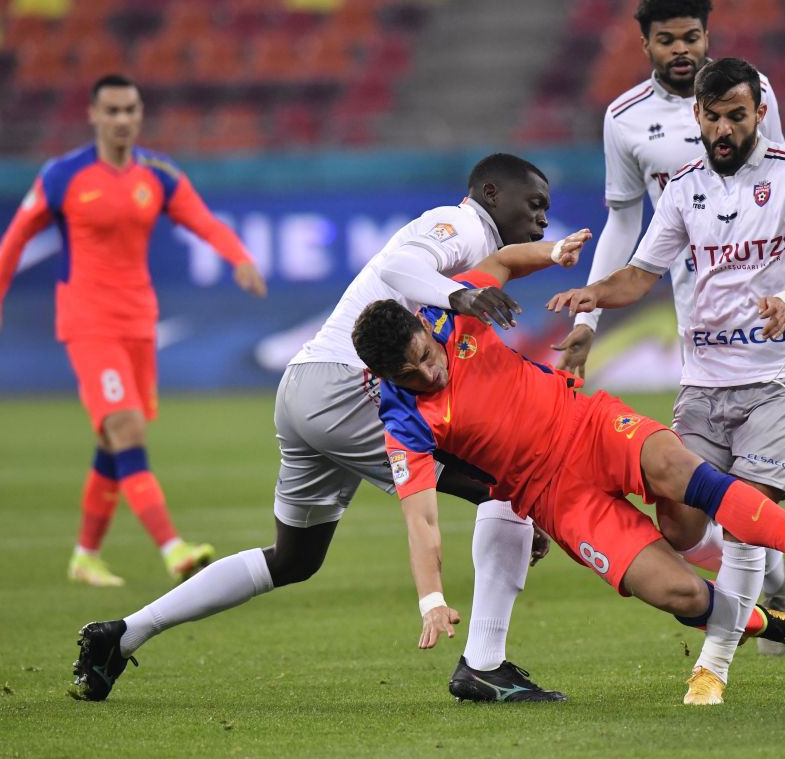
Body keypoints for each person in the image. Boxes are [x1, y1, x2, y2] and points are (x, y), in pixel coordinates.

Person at [70, 154, 572, 704]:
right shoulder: (459, 225)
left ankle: (122, 635)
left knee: (294, 559)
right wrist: (460, 294)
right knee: (508, 480)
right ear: (493, 193)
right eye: (535, 203)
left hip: (304, 391)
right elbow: (397, 267)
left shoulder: (482, 246)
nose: (543, 217)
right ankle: (485, 666)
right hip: (346, 386)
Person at [553, 0, 785, 663]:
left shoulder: (751, 90)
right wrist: (590, 319)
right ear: (646, 43)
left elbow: (775, 185)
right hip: (700, 307)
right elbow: (626, 221)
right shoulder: (623, 119)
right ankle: (773, 572)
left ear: (708, 38)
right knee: (694, 503)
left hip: (777, 303)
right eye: (667, 39)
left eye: (691, 37)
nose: (681, 50)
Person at [351, 247, 785, 701]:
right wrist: (433, 601)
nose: (426, 373)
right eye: (407, 375)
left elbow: (505, 261)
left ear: (424, 327)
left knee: (675, 467)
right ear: (383, 377)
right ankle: (772, 623)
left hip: (588, 423)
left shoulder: (454, 310)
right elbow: (420, 520)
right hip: (554, 497)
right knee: (680, 595)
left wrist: (554, 252)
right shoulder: (402, 421)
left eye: (423, 357)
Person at [0, 74, 267, 586]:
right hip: (87, 322)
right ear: (93, 115)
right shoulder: (64, 175)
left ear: (140, 113)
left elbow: (202, 220)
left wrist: (238, 257)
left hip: (138, 323)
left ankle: (85, 556)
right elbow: (16, 239)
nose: (122, 120)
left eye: (130, 110)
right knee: (126, 428)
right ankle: (174, 550)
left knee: (115, 442)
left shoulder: (158, 174)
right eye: (112, 111)